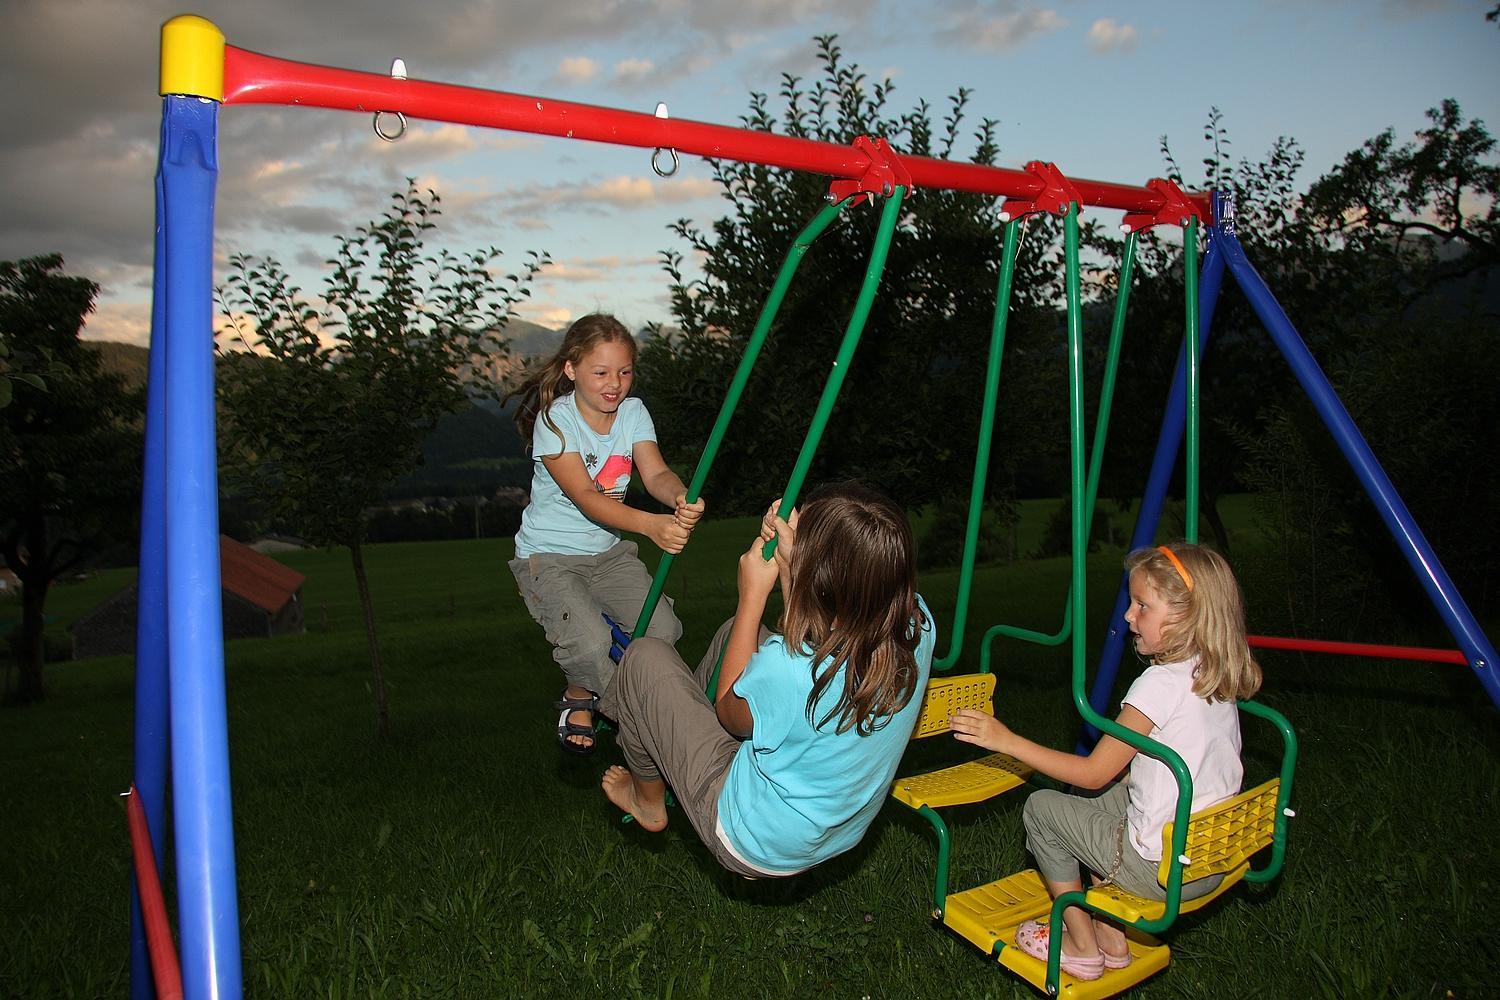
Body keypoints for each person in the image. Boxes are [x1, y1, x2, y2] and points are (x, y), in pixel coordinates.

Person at [949, 542, 1262, 981]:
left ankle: (1081, 947)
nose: (1129, 617)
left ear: (1186, 616)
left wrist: (1008, 741)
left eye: (1142, 606)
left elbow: (1096, 767)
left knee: (1042, 809)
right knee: (1105, 797)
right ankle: (1114, 941)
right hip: (1212, 855)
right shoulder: (1213, 672)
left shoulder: (1159, 685)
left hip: (1161, 871)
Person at [598, 483, 935, 877]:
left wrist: (752, 598)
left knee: (644, 658)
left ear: (821, 581)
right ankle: (677, 740)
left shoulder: (791, 671)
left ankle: (648, 800)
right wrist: (795, 566)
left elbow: (729, 713)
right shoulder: (917, 623)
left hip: (754, 840)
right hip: (834, 830)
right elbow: (814, 631)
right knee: (737, 638)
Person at [507, 314, 705, 754]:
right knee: (593, 643)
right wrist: (651, 525)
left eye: (624, 371)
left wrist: (679, 495)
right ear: (571, 370)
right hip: (550, 558)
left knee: (663, 629)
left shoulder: (633, 413)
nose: (614, 383)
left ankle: (592, 680)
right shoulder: (557, 422)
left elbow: (655, 473)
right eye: (600, 372)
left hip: (607, 554)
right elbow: (585, 497)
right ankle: (617, 709)